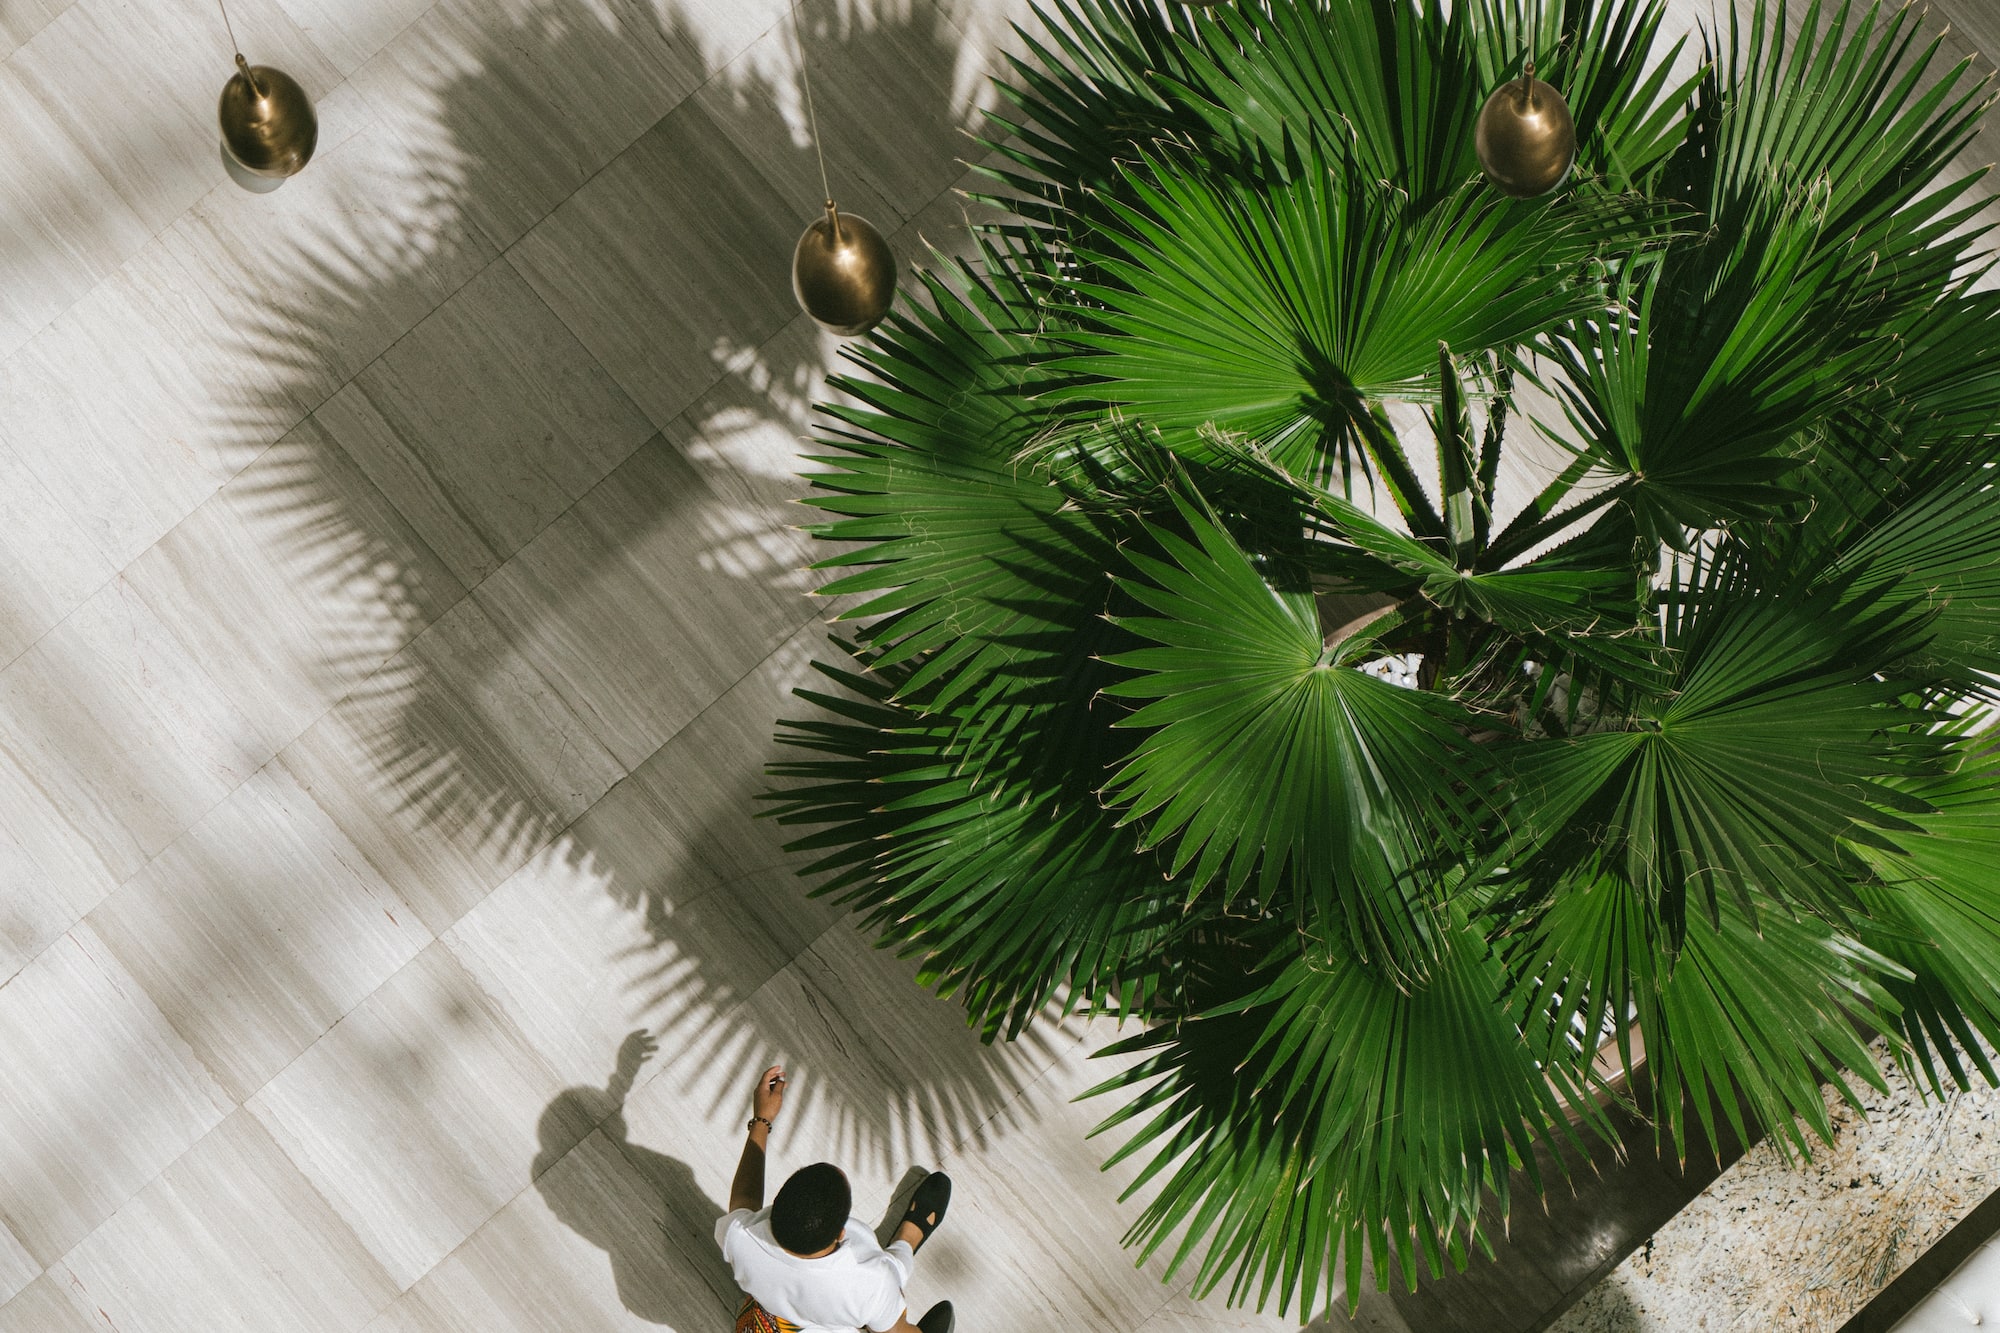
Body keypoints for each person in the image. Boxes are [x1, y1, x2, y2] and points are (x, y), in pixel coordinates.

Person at [715, 1064, 955, 1333]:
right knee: (890, 1290)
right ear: (841, 1234)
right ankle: (906, 1242)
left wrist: (762, 1120)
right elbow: (896, 1331)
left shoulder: (739, 1237)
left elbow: (744, 1198)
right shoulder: (867, 1287)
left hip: (773, 1320)